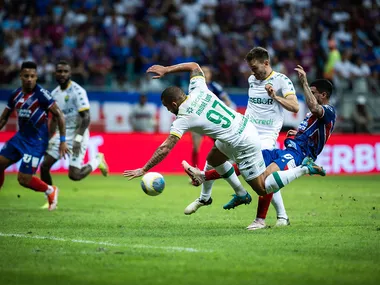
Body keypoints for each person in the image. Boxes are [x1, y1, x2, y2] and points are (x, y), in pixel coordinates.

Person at [123, 62, 326, 223]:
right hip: (242, 127)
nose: (168, 111)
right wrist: (167, 69)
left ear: (174, 103)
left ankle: (304, 169)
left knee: (262, 188)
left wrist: (144, 168)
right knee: (214, 157)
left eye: (168, 107)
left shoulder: (183, 117)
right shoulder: (198, 89)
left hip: (243, 142)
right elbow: (194, 66)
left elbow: (166, 147)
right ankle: (233, 194)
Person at [183, 66, 336, 230]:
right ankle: (205, 177)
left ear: (323, 95)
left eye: (313, 93)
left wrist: (304, 82)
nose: (310, 96)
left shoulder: (329, 111)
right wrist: (296, 134)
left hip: (300, 155)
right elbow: (310, 129)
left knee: (266, 179)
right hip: (288, 150)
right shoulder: (311, 115)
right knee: (248, 163)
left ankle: (261, 218)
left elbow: (314, 107)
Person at [184, 47, 299, 228]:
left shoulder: (281, 80)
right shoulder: (252, 79)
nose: (252, 72)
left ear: (266, 63)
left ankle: (268, 218)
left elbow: (295, 107)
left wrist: (274, 96)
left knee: (263, 178)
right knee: (213, 157)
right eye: (250, 68)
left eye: (255, 67)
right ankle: (204, 197)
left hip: (266, 137)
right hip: (244, 130)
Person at [0, 61, 69, 211]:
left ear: (36, 77)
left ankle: (50, 190)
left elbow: (59, 115)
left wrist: (63, 141)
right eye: (26, 76)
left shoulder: (42, 95)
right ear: (20, 76)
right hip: (20, 138)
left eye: (32, 76)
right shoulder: (16, 94)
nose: (29, 79)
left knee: (23, 180)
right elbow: (5, 117)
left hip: (36, 143)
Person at [40, 61, 109, 197]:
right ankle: (50, 197)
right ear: (55, 74)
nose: (62, 74)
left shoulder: (78, 91)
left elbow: (86, 117)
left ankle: (97, 161)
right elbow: (54, 119)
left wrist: (78, 139)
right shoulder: (54, 94)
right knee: (44, 166)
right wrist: (48, 138)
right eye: (60, 71)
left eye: (65, 71)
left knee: (74, 175)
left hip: (78, 133)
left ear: (70, 74)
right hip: (62, 135)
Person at [190, 66, 232, 167]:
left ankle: (226, 166)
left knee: (221, 146)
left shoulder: (214, 86)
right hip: (198, 121)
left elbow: (227, 101)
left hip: (212, 121)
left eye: (207, 72)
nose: (205, 74)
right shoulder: (195, 87)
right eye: (203, 72)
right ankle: (194, 171)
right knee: (196, 147)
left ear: (210, 74)